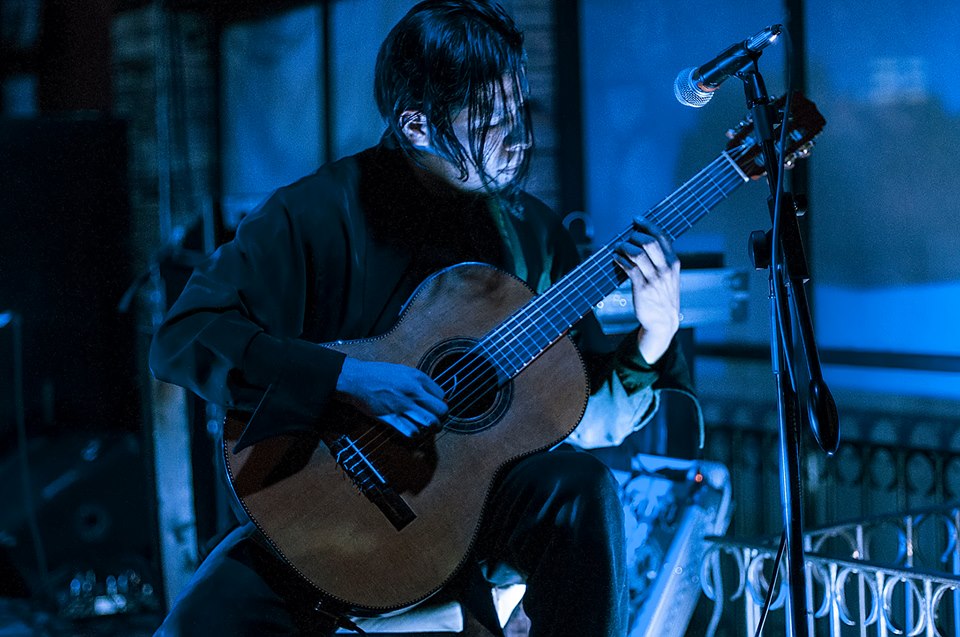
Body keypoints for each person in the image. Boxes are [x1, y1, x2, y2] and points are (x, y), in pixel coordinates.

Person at [149, 1, 692, 635]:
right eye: (491, 121)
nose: (518, 137)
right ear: (417, 127)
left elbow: (586, 418)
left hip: (461, 522)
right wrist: (349, 378)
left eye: (519, 111)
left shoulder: (531, 236)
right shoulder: (315, 215)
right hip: (314, 515)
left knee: (581, 488)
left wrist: (654, 337)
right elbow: (183, 337)